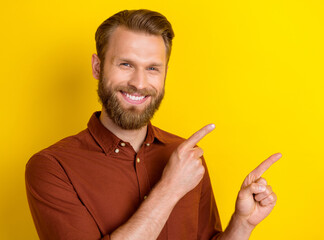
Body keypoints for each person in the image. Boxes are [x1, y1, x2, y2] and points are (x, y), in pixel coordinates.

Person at [25, 9, 281, 240]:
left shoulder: (186, 157)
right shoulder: (51, 168)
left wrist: (242, 224)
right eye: (126, 64)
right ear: (97, 67)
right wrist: (170, 188)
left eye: (152, 69)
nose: (138, 82)